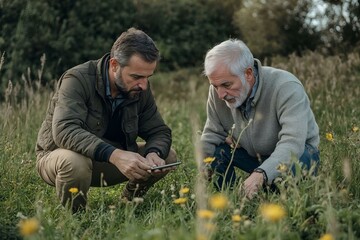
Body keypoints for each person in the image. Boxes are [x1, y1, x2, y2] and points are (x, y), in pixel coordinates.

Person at [35, 27, 177, 212]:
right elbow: (65, 130)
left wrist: (154, 153)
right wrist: (116, 155)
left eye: (148, 77)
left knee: (167, 155)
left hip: (107, 160)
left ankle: (129, 202)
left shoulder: (139, 88)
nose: (143, 85)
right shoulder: (77, 79)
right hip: (59, 159)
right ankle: (76, 219)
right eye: (136, 77)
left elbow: (159, 131)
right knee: (74, 162)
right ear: (114, 65)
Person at [200, 39, 320, 199]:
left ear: (248, 74)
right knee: (216, 152)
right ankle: (231, 199)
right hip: (253, 156)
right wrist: (203, 169)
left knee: (282, 189)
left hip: (299, 155)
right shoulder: (218, 91)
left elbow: (293, 143)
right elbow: (211, 135)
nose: (220, 95)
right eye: (215, 86)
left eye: (226, 85)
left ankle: (276, 191)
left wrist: (261, 174)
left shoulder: (286, 86)